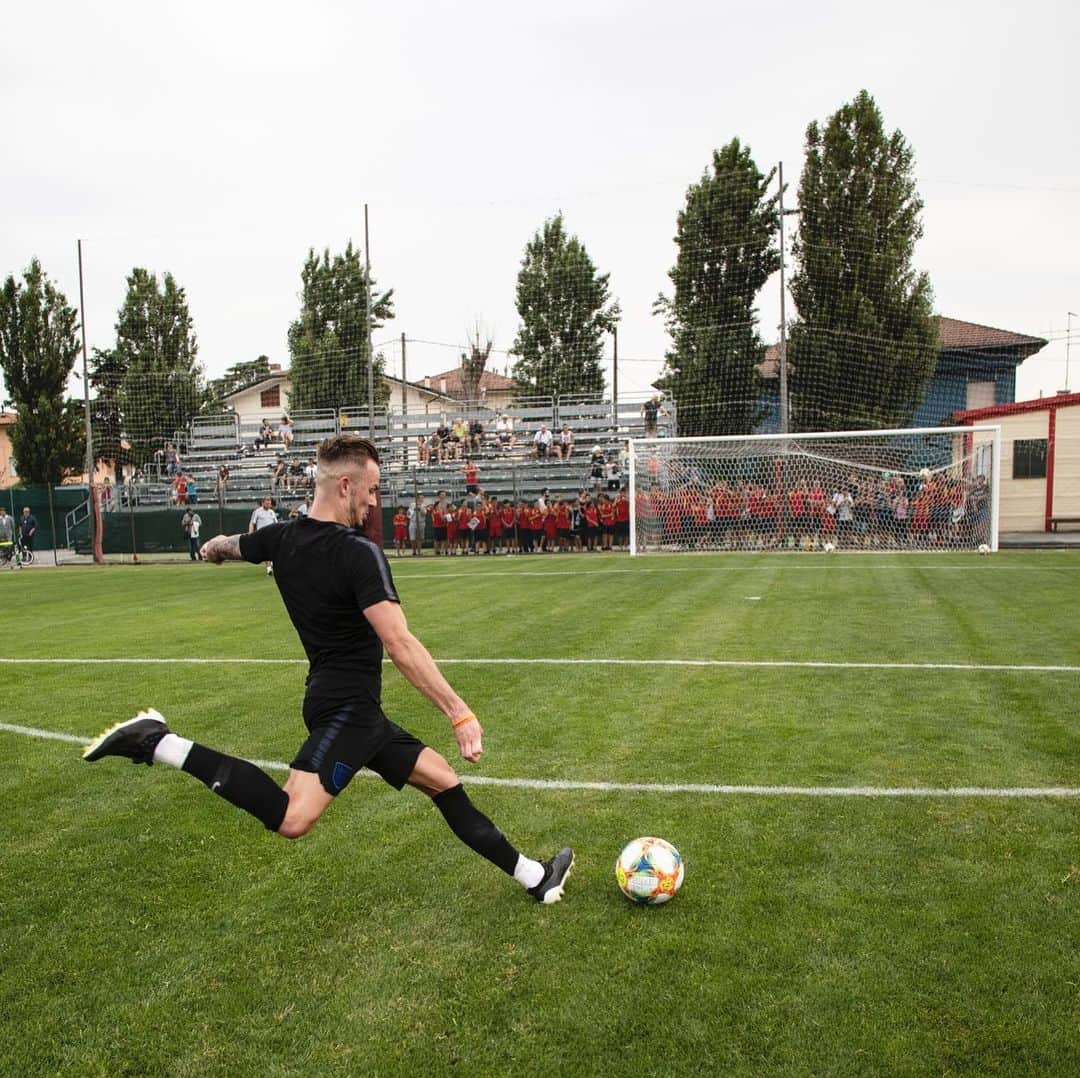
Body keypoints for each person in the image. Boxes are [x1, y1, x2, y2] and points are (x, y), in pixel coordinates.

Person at [83, 435, 572, 903]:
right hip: (348, 711)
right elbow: (398, 642)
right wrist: (459, 713)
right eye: (373, 489)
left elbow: (237, 544)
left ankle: (536, 878)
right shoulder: (357, 553)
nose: (374, 502)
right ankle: (158, 741)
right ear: (345, 486)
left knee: (442, 780)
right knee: (292, 818)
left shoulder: (282, 539)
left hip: (355, 710)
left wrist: (215, 548)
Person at [249, 496, 278, 575]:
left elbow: (276, 523)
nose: (269, 504)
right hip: (261, 535)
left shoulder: (272, 512)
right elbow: (252, 523)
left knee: (272, 551)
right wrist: (250, 533)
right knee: (266, 551)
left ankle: (271, 565)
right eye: (267, 502)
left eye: (269, 502)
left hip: (272, 534)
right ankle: (269, 569)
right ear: (263, 503)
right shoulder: (257, 512)